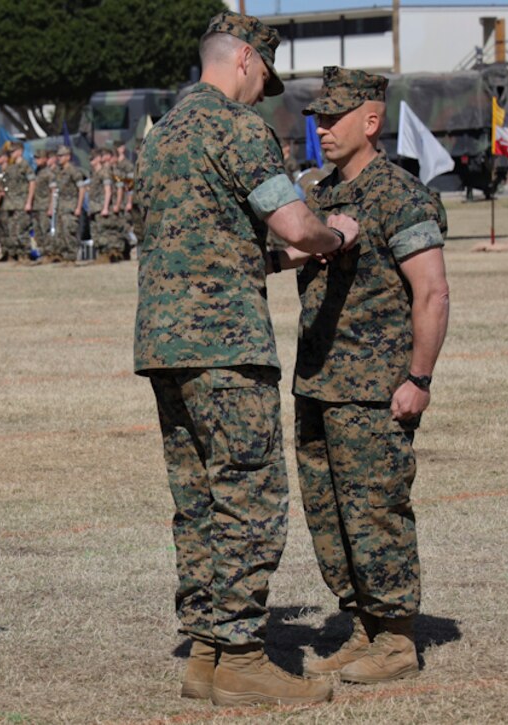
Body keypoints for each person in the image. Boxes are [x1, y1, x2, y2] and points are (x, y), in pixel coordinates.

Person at [134, 12, 359, 707]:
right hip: (226, 342)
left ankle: (205, 649)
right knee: (250, 494)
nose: (264, 94)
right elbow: (296, 221)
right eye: (263, 77)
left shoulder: (161, 135)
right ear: (243, 60)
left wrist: (270, 256)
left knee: (199, 499)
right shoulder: (237, 130)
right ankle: (239, 654)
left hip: (165, 342)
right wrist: (332, 236)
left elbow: (192, 235)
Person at [292, 66, 450, 684]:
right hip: (317, 385)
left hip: (374, 390)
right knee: (328, 516)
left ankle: (397, 640)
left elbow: (432, 294)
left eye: (334, 117)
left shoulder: (401, 196)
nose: (323, 128)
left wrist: (420, 378)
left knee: (375, 511)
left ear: (371, 120)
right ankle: (362, 624)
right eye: (318, 118)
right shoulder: (320, 194)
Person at [52, 145, 87, 263]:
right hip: (61, 207)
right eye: (58, 156)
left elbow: (82, 189)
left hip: (70, 206)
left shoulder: (73, 171)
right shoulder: (60, 171)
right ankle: (65, 257)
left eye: (61, 156)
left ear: (68, 157)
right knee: (60, 233)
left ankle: (72, 257)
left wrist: (78, 207)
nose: (59, 158)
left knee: (69, 231)